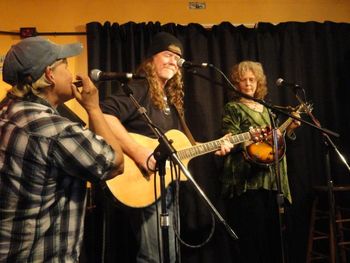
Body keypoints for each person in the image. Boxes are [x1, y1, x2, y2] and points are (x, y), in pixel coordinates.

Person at [100, 32, 231, 263]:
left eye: (177, 58)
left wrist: (217, 146)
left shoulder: (169, 100)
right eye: (167, 55)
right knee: (155, 256)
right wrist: (139, 152)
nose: (173, 61)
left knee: (168, 254)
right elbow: (105, 115)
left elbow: (182, 147)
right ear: (151, 59)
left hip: (164, 185)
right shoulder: (140, 87)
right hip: (142, 182)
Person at [0, 36, 124, 262]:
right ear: (49, 75)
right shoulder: (56, 131)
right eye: (65, 66)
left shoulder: (6, 112)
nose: (72, 74)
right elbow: (114, 163)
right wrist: (93, 109)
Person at [221, 61, 300, 263]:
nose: (248, 84)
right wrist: (249, 140)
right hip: (248, 181)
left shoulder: (268, 109)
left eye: (252, 79)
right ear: (236, 84)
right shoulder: (233, 108)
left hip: (273, 180)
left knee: (276, 238)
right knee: (254, 240)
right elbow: (228, 137)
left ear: (258, 83)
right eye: (243, 80)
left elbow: (276, 144)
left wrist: (289, 129)